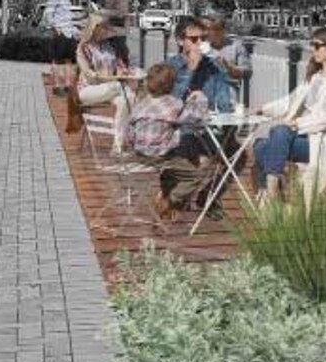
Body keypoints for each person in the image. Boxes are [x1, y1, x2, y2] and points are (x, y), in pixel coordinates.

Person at [252, 27, 326, 207]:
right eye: (312, 45)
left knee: (277, 134)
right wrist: (262, 109)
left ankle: (269, 192)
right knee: (260, 144)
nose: (313, 50)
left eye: (317, 46)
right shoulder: (314, 77)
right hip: (298, 136)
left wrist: (297, 124)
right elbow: (289, 102)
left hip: (318, 141)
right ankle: (272, 187)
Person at [124, 63, 214, 217]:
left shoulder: (141, 104)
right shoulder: (174, 105)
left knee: (173, 164)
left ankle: (166, 197)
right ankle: (170, 200)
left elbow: (129, 133)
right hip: (160, 158)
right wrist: (199, 99)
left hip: (138, 157)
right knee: (195, 176)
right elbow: (198, 119)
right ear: (172, 85)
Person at [72, 13, 137, 153]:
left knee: (127, 99)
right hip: (88, 90)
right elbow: (89, 73)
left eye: (107, 28)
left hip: (111, 89)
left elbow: (119, 67)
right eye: (104, 28)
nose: (107, 31)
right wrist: (113, 78)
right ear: (94, 28)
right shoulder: (83, 48)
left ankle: (118, 145)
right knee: (119, 86)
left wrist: (125, 71)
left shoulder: (108, 47)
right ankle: (136, 133)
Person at [165, 18, 235, 113]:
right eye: (194, 39)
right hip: (178, 125)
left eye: (203, 39)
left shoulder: (213, 67)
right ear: (180, 41)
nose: (199, 42)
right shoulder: (168, 67)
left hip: (208, 124)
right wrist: (190, 70)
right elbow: (169, 105)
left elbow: (224, 105)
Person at [41, 0, 80, 95]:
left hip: (68, 33)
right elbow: (48, 13)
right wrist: (55, 27)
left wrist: (75, 30)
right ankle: (58, 86)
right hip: (61, 32)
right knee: (58, 61)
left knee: (69, 60)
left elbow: (66, 16)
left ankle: (68, 85)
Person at [203, 17, 252, 99]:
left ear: (223, 30)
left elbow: (246, 71)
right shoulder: (200, 47)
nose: (209, 32)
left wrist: (229, 67)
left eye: (215, 29)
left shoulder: (236, 47)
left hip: (228, 90)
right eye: (207, 29)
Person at [101, 0, 132, 65]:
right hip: (111, 31)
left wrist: (105, 12)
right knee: (112, 55)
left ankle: (123, 72)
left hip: (118, 30)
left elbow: (121, 13)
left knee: (120, 55)